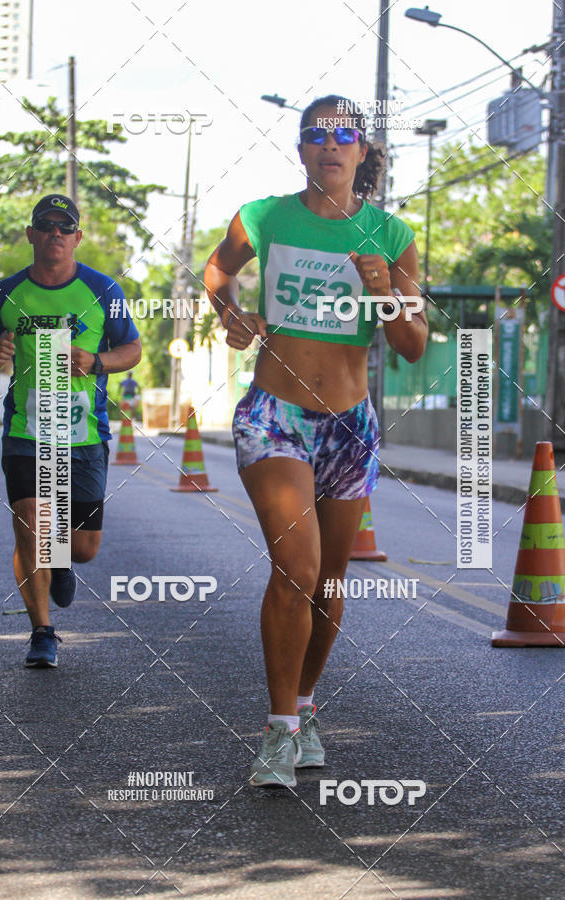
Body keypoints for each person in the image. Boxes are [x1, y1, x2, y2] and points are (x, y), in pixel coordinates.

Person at [205, 95, 428, 788]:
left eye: (345, 135)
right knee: (297, 569)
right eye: (317, 134)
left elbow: (414, 346)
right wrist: (230, 313)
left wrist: (388, 290)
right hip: (274, 415)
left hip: (349, 426)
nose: (331, 145)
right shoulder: (265, 217)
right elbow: (218, 272)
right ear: (301, 149)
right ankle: (277, 734)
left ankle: (303, 707)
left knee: (331, 581)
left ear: (362, 152)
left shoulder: (392, 235)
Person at [0, 194, 141, 668]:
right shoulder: (5, 294)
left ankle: (61, 559)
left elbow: (133, 350)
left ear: (77, 238)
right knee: (31, 527)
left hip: (84, 436)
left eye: (65, 228)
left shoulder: (104, 291)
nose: (56, 235)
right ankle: (42, 632)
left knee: (82, 548)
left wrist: (98, 361)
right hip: (26, 430)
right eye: (46, 226)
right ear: (31, 235)